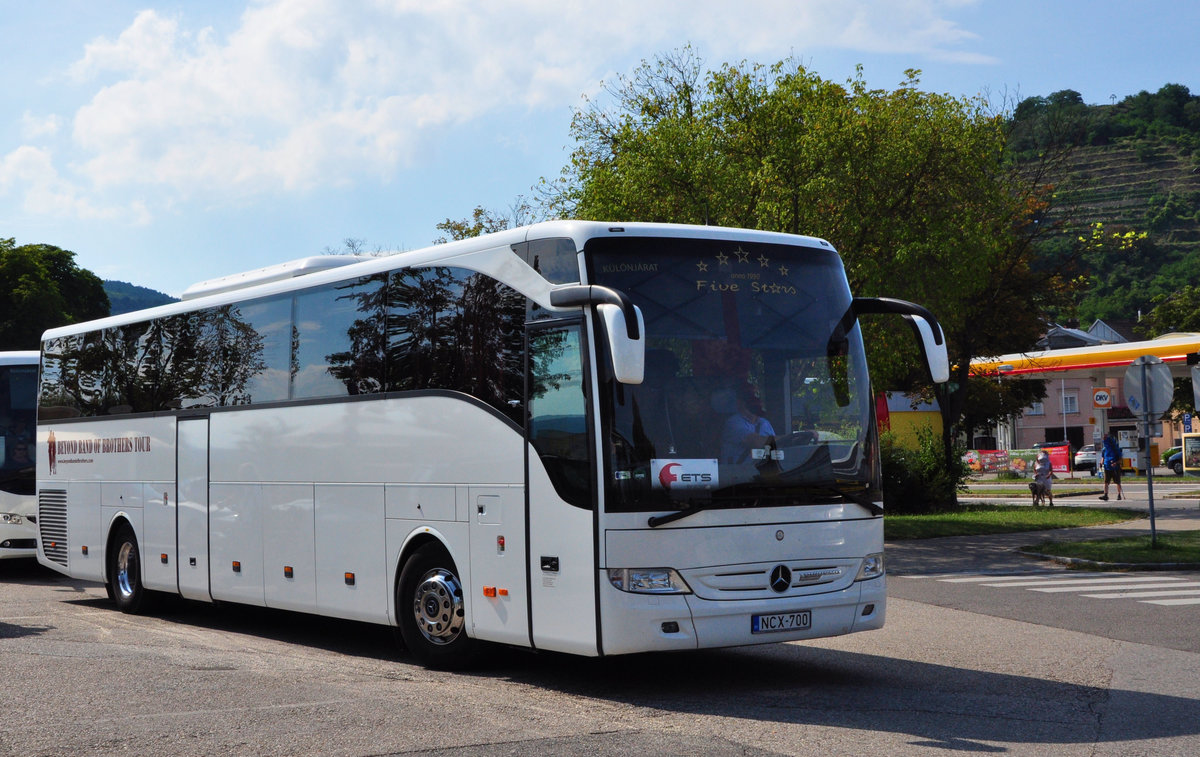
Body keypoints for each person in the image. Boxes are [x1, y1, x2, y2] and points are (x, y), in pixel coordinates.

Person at [720, 384, 775, 463]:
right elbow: (756, 442)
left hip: (764, 472)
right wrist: (787, 438)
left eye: (757, 398)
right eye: (751, 398)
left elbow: (778, 450)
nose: (755, 401)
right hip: (738, 474)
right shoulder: (733, 423)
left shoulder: (765, 423)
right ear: (739, 402)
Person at [1100, 429, 1124, 501]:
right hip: (1107, 467)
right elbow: (1103, 457)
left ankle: (1119, 494)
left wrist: (1115, 463)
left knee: (1117, 482)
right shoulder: (1104, 449)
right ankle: (1105, 495)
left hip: (1115, 468)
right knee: (1106, 482)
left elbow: (1120, 459)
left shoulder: (1116, 449)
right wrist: (1101, 463)